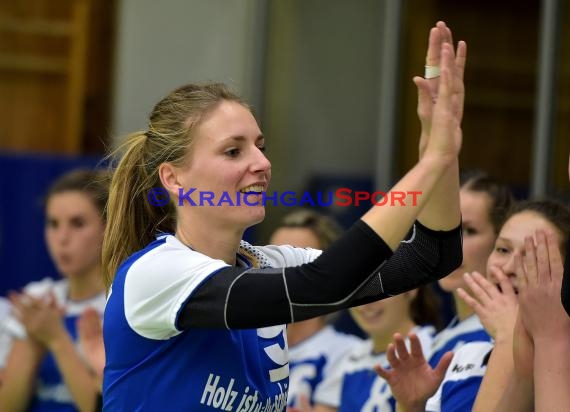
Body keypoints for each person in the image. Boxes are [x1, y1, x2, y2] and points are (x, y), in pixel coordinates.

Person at [101, 20, 466, 410]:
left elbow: (432, 256)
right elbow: (322, 285)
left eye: (260, 145)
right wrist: (431, 164)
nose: (261, 162)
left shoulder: (268, 264)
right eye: (233, 151)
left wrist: (438, 153)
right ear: (174, 179)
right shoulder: (156, 275)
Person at [375, 199, 570, 412]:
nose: (507, 267)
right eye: (503, 249)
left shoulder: (559, 359)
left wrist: (507, 336)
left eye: (531, 257)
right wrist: (412, 407)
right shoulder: (468, 354)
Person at [0, 169, 110, 412]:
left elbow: (102, 407)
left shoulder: (121, 305)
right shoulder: (38, 297)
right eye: (53, 224)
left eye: (77, 223)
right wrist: (32, 342)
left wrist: (57, 339)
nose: (62, 238)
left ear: (108, 228)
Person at [268, 209, 361, 409]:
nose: (280, 271)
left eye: (295, 259)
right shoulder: (246, 343)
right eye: (272, 257)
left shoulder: (348, 353)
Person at [428, 170, 513, 367]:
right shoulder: (442, 338)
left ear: (501, 243)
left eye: (468, 231)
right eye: (443, 227)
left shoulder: (502, 335)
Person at [310, 286, 441, 412]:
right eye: (356, 289)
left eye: (379, 288)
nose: (365, 303)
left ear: (412, 287)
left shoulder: (434, 351)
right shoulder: (348, 357)